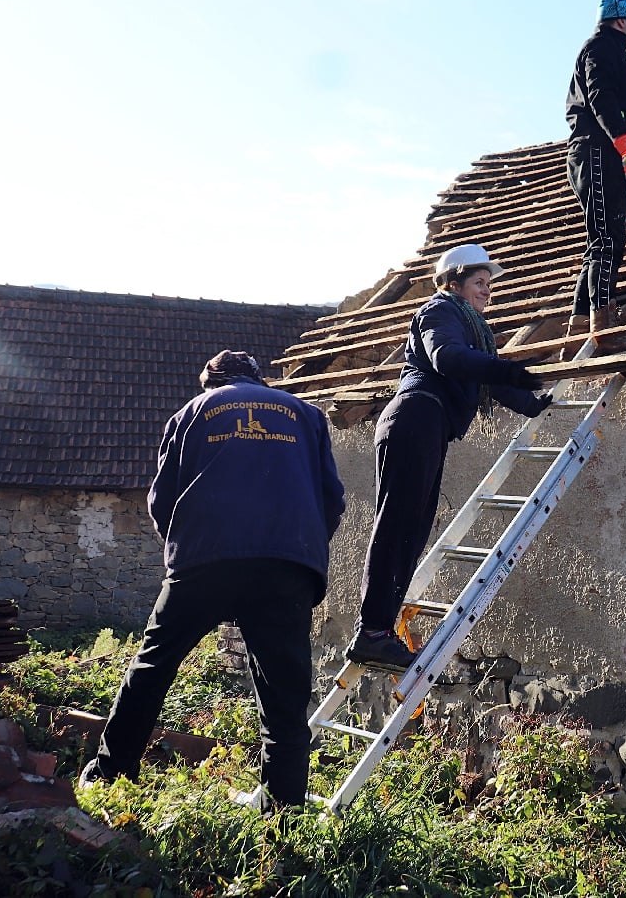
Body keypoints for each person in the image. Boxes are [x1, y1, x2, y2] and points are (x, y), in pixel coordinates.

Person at [80, 351, 345, 808]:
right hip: (286, 564)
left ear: (211, 383)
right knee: (284, 689)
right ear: (258, 380)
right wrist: (299, 551)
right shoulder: (307, 415)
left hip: (204, 559)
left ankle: (110, 773)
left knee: (153, 665)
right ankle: (283, 804)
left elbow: (162, 500)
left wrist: (185, 551)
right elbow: (332, 499)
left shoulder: (190, 415)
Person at [347, 244, 553, 671]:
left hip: (428, 426)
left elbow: (490, 378)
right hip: (415, 416)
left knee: (412, 529)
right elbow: (448, 359)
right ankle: (371, 632)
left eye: (489, 285)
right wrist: (506, 369)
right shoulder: (438, 313)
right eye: (480, 283)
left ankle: (378, 631)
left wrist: (535, 401)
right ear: (453, 282)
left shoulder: (471, 329)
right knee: (397, 525)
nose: (487, 292)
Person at [565, 0, 626, 345]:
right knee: (605, 240)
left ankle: (579, 327)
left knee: (602, 239)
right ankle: (603, 328)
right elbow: (601, 98)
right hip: (599, 153)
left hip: (607, 154)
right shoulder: (601, 49)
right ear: (621, 21)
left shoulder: (609, 52)